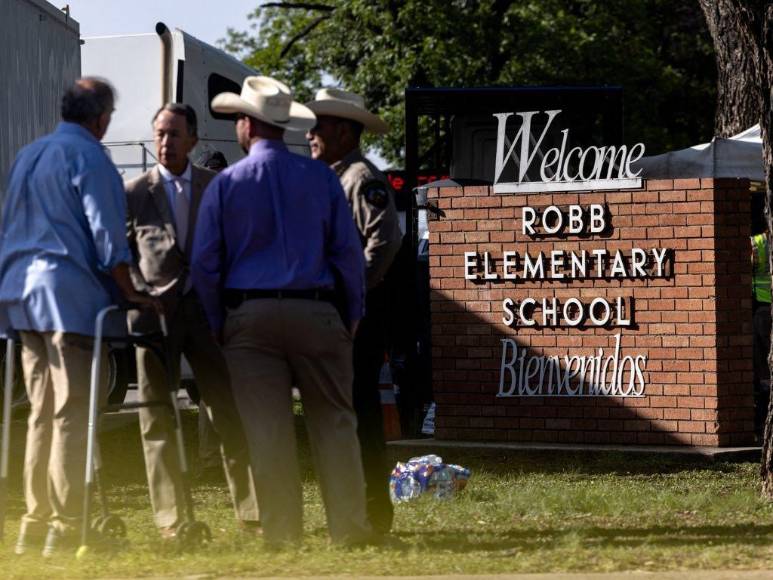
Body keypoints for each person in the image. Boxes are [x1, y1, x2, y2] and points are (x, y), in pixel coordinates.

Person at [191, 76, 372, 547]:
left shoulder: (226, 183)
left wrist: (218, 321)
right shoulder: (320, 177)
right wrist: (352, 311)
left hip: (248, 316)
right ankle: (349, 529)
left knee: (267, 432)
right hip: (317, 309)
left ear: (248, 124)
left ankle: (282, 533)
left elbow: (206, 263)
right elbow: (347, 252)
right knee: (334, 423)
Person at [0, 78, 158, 556]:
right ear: (102, 117)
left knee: (41, 415)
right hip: (66, 297)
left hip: (21, 296)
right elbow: (109, 238)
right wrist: (133, 292)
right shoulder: (91, 158)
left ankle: (35, 523)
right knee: (70, 413)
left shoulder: (29, 155)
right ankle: (67, 527)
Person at [124, 105, 259, 539]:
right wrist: (137, 295)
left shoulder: (215, 187)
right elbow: (117, 255)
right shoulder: (133, 192)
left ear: (194, 140)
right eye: (160, 134)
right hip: (152, 319)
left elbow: (235, 247)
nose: (166, 142)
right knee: (157, 418)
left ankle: (253, 513)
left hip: (207, 316)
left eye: (175, 134)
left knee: (229, 411)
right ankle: (171, 519)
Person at [306, 88, 403, 533]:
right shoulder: (332, 176)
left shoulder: (362, 177)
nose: (310, 134)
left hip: (357, 314)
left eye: (319, 125)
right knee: (342, 410)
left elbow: (384, 241)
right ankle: (357, 508)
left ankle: (373, 511)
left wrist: (351, 292)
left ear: (344, 131)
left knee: (359, 411)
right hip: (338, 312)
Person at [752, 219, 772, 436]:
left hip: (762, 306)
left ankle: (764, 412)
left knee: (763, 362)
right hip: (765, 307)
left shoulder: (758, 243)